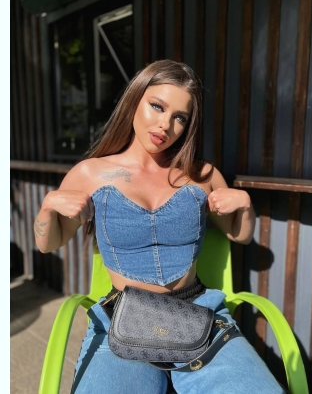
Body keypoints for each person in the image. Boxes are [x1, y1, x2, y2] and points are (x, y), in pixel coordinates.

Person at [34, 60, 285, 393]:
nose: (166, 124)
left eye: (180, 117)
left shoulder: (202, 175)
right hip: (122, 317)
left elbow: (239, 234)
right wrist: (48, 207)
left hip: (198, 311)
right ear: (134, 100)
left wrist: (245, 206)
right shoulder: (90, 173)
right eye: (157, 106)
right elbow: (49, 243)